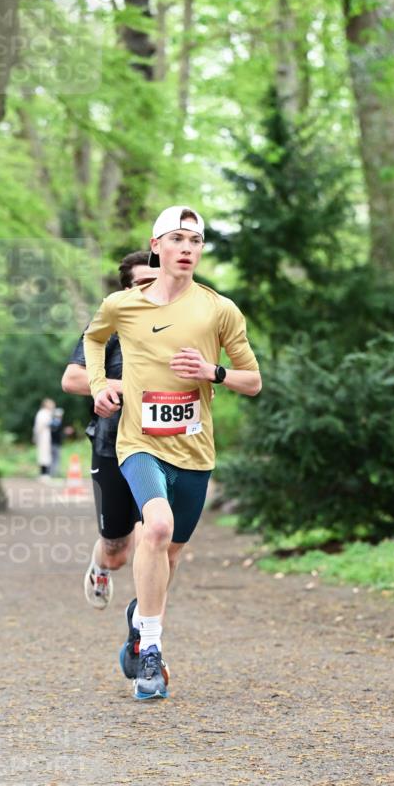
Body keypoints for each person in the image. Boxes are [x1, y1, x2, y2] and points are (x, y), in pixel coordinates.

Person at [84, 206, 261, 701]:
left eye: (195, 241)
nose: (187, 249)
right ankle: (152, 653)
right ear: (156, 246)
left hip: (194, 451)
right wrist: (99, 385)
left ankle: (141, 620)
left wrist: (213, 372)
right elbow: (93, 340)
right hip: (139, 442)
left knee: (170, 553)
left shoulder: (219, 310)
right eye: (177, 239)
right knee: (156, 529)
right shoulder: (122, 304)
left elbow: (253, 380)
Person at [61, 251, 159, 609]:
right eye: (143, 283)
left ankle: (145, 622)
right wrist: (123, 388)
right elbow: (72, 379)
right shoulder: (110, 327)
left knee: (156, 532)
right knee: (118, 551)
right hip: (113, 445)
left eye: (157, 282)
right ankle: (101, 566)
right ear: (126, 291)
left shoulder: (183, 324)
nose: (152, 290)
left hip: (164, 446)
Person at [33, 398, 55, 481]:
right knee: (43, 455)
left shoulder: (46, 413)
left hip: (45, 436)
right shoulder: (43, 413)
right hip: (43, 436)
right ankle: (44, 474)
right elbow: (39, 427)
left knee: (46, 455)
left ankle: (45, 473)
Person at [50, 407, 64, 478]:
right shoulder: (57, 423)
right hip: (56, 443)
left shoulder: (51, 422)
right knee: (56, 459)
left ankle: (52, 473)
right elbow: (58, 434)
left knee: (52, 459)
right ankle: (54, 474)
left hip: (51, 443)